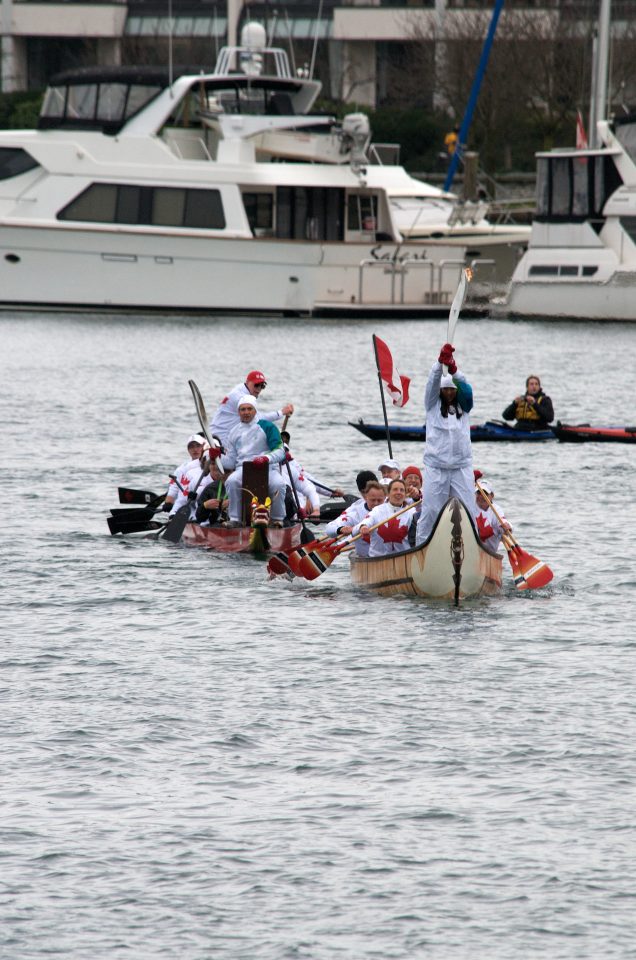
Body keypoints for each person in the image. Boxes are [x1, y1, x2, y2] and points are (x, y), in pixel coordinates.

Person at [415, 342, 478, 545]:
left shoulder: (464, 407)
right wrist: (439, 363)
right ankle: (422, 548)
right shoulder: (431, 405)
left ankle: (471, 548)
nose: (449, 392)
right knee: (431, 511)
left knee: (468, 510)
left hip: (461, 467)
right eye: (446, 389)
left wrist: (454, 370)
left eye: (452, 389)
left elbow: (467, 390)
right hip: (436, 467)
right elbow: (432, 383)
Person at [213, 395, 287, 527]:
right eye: (242, 409)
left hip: (268, 468)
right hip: (243, 468)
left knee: (279, 485)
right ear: (238, 412)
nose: (246, 412)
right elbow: (230, 462)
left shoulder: (268, 427)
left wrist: (266, 458)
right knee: (231, 481)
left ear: (255, 410)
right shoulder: (234, 432)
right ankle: (235, 519)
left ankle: (277, 520)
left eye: (249, 409)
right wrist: (217, 457)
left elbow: (280, 452)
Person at [210, 370, 294, 445]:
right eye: (256, 385)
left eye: (262, 386)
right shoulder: (241, 399)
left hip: (218, 434)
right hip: (220, 439)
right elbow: (259, 419)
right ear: (247, 382)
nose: (259, 389)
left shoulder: (241, 388)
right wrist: (281, 413)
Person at [354, 478, 417, 557]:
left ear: (405, 494)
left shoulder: (411, 511)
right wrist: (363, 526)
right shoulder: (377, 510)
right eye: (395, 489)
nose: (398, 492)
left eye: (402, 490)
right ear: (388, 494)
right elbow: (367, 521)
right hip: (377, 559)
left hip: (404, 558)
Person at [324, 480, 386, 557]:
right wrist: (341, 529)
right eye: (373, 500)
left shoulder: (392, 510)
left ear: (385, 498)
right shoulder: (355, 515)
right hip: (365, 558)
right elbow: (329, 529)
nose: (376, 504)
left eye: (380, 500)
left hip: (388, 555)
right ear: (366, 498)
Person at [164, 434, 206, 512]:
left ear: (204, 447)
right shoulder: (181, 469)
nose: (195, 449)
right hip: (185, 506)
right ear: (188, 450)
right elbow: (174, 487)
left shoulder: (210, 465)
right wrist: (168, 502)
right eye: (191, 447)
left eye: (198, 446)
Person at [474, 478, 511, 552]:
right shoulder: (470, 507)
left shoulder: (496, 510)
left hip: (490, 552)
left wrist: (506, 526)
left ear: (492, 496)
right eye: (479, 493)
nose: (481, 496)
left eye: (485, 493)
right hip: (472, 550)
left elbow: (502, 521)